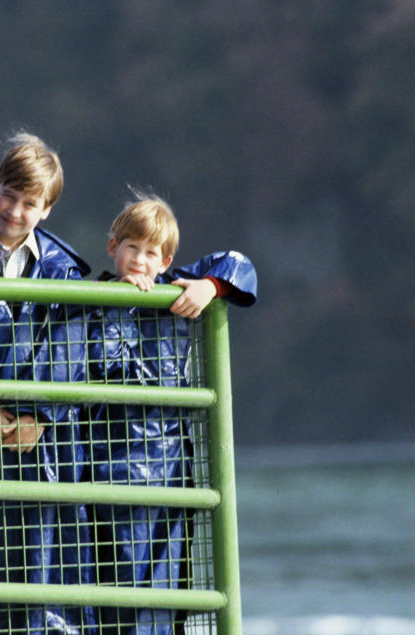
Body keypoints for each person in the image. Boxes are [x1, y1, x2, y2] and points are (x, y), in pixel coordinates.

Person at [0, 133, 96, 634]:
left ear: (47, 209)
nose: (15, 210)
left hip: (49, 443)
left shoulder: (65, 268)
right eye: (9, 195)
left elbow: (70, 347)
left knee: (54, 567)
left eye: (30, 203)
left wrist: (40, 418)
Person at [87, 193, 256, 634]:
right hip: (109, 470)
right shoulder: (90, 298)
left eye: (150, 253)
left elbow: (241, 266)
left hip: (169, 473)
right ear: (112, 248)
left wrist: (210, 287)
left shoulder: (176, 291)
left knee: (168, 590)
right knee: (116, 591)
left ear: (166, 261)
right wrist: (115, 305)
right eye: (131, 248)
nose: (140, 261)